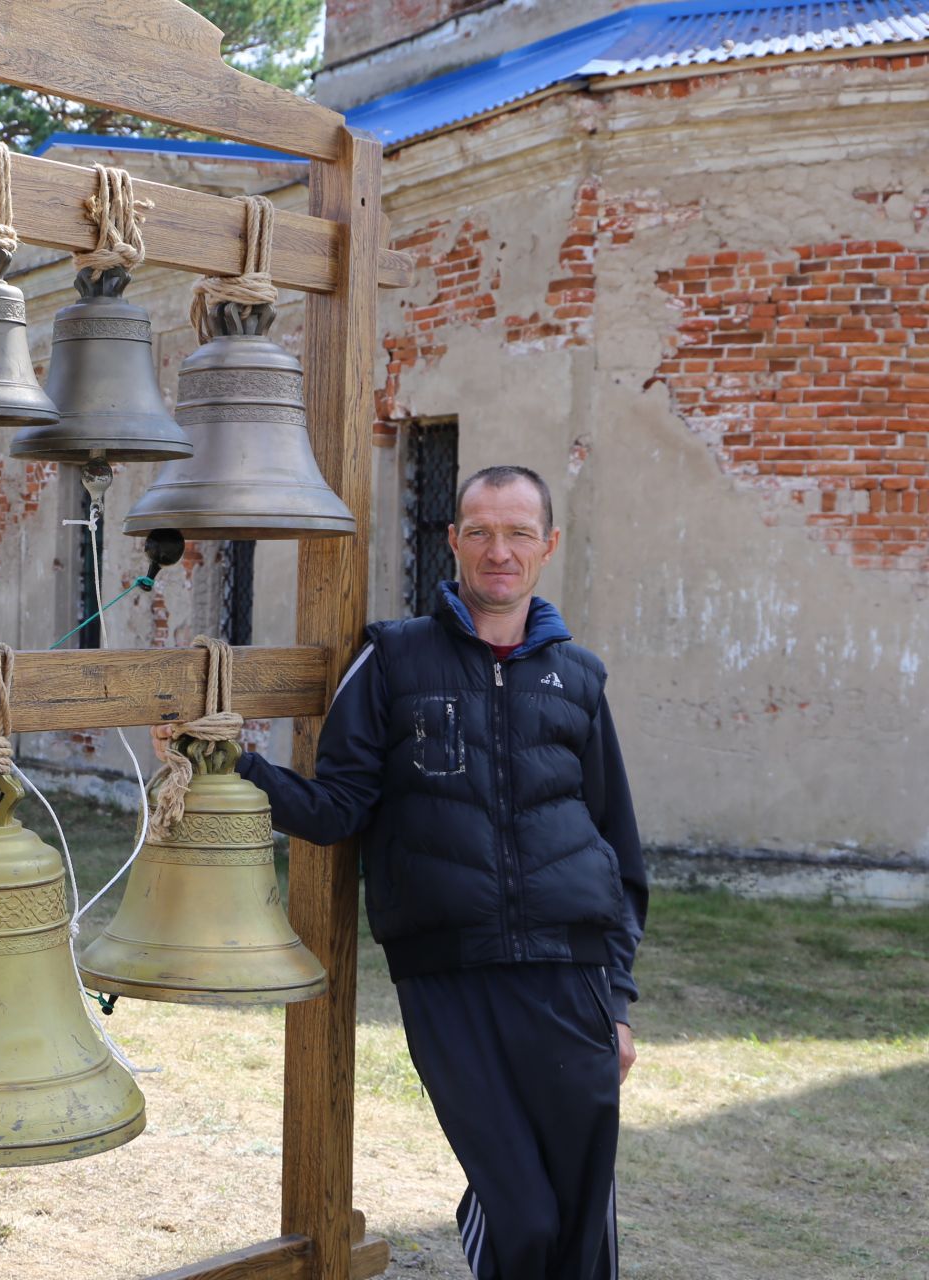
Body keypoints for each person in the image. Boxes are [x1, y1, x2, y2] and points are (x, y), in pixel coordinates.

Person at [165, 464, 645, 1280]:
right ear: (452, 540)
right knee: (521, 1215)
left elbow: (618, 846)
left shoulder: (581, 678)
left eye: (520, 532)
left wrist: (622, 1000)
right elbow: (339, 808)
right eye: (482, 531)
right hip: (449, 976)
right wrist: (232, 766)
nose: (501, 550)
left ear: (548, 546)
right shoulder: (393, 659)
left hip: (574, 977)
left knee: (583, 1221)